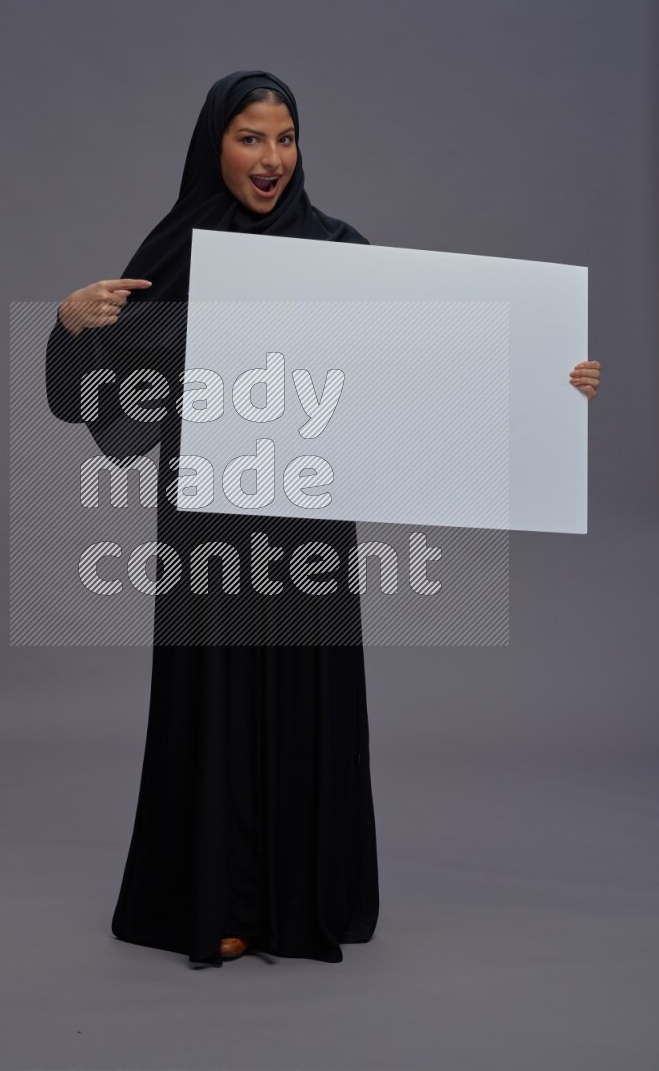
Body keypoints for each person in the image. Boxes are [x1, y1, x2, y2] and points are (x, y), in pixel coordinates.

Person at [45, 70, 602, 969]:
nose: (270, 160)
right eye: (250, 138)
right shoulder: (179, 252)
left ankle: (301, 899)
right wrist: (73, 323)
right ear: (213, 145)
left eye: (285, 138)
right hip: (209, 532)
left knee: (306, 696)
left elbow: (428, 368)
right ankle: (218, 899)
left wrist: (549, 377)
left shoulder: (337, 251)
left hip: (308, 528)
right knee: (216, 701)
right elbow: (100, 400)